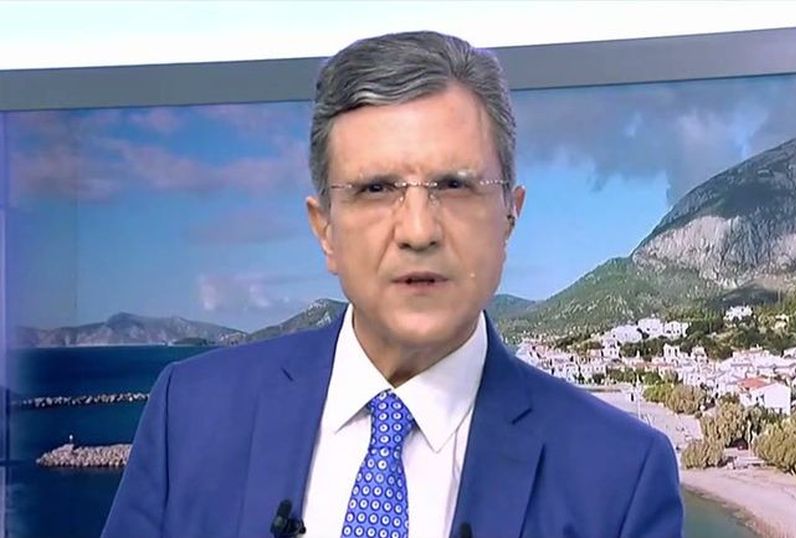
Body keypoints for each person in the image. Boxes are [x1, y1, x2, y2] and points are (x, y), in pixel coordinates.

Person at [101, 31, 682, 538]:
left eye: (454, 185)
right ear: (325, 228)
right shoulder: (190, 415)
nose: (418, 231)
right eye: (376, 189)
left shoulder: (619, 478)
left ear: (509, 215)